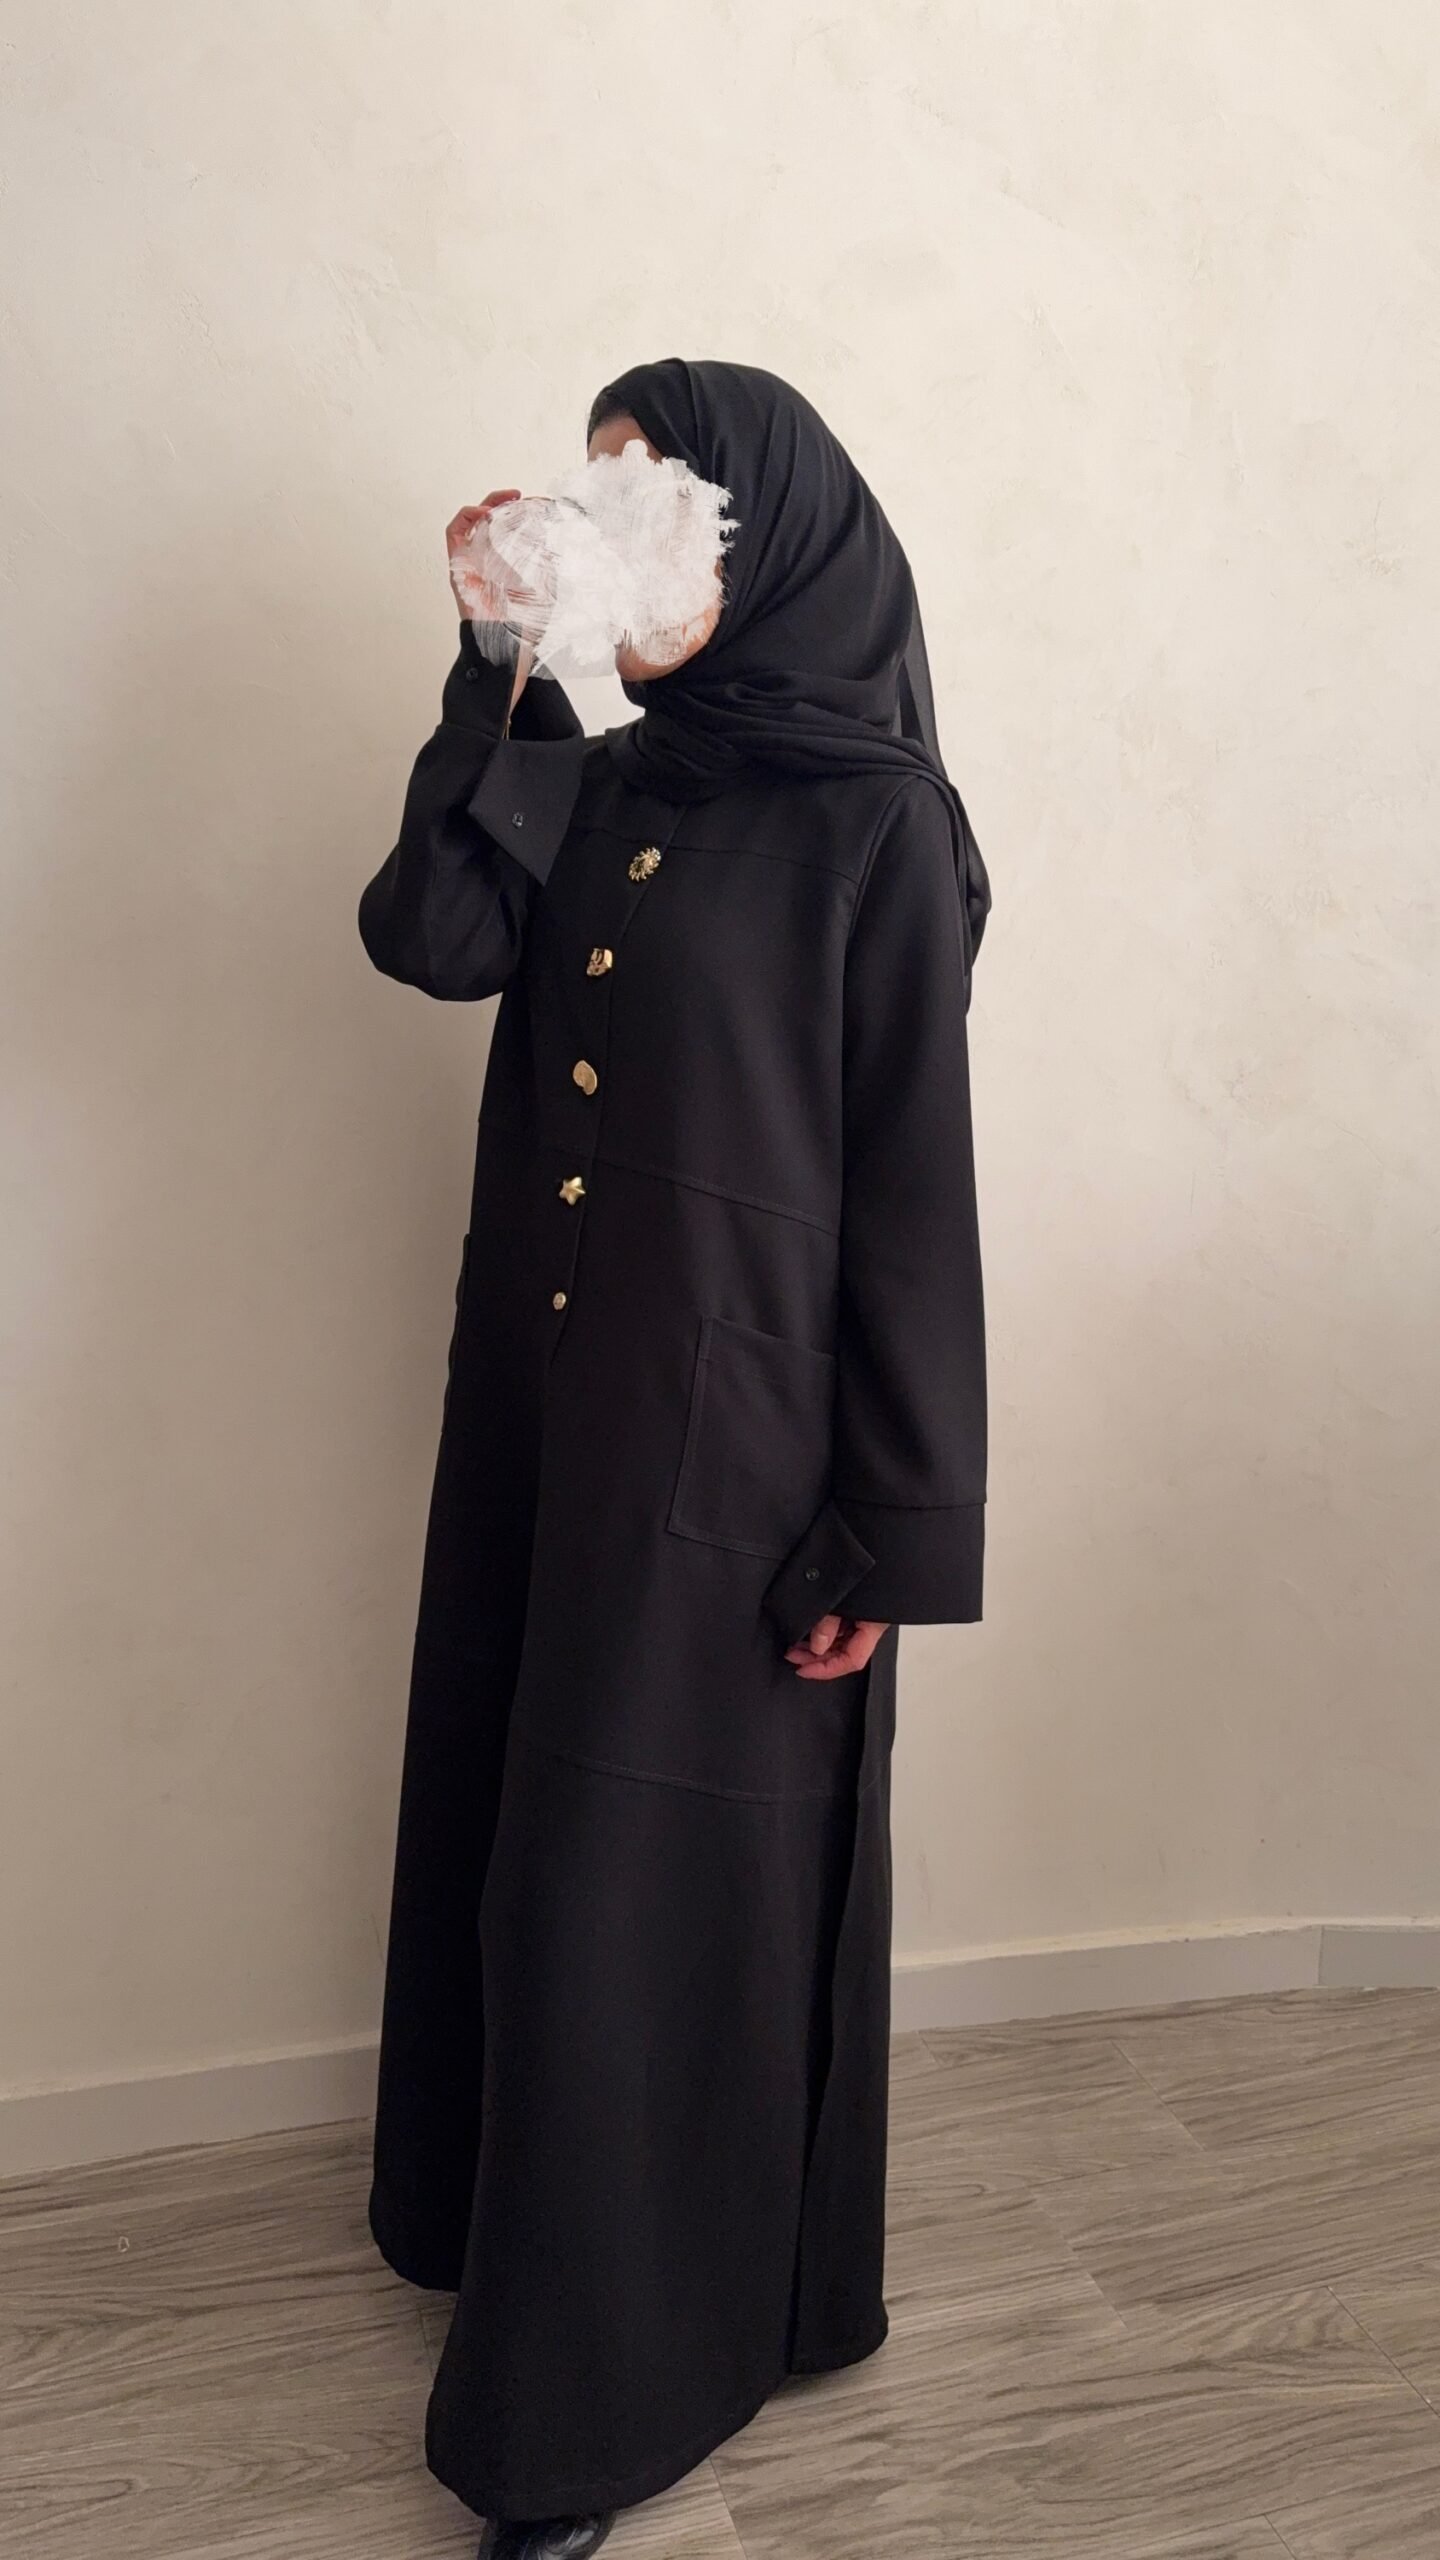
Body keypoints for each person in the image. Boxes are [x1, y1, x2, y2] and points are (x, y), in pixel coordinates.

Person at [357, 358, 992, 2560]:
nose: (617, 526)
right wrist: (497, 666)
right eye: (596, 488)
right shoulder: (605, 773)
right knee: (521, 1841)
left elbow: (910, 1194)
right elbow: (431, 938)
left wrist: (891, 1522)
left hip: (741, 1468)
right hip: (546, 1421)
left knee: (636, 1897)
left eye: (659, 498)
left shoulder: (882, 825)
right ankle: (514, 2236)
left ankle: (590, 2401)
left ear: (771, 535)